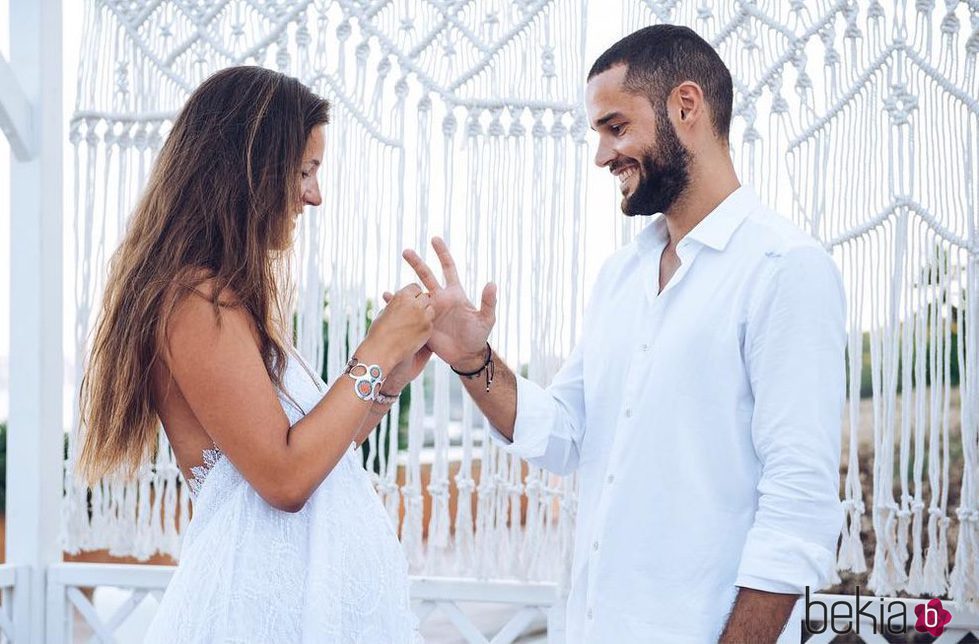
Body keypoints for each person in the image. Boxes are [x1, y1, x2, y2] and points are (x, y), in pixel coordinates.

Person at [403, 25, 846, 643]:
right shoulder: (621, 276)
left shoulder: (784, 268)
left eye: (616, 127)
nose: (602, 155)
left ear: (685, 106)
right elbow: (564, 435)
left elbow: (799, 505)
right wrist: (473, 360)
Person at [77, 66, 429, 642]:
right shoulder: (194, 300)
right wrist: (376, 346)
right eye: (305, 172)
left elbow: (318, 454)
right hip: (256, 614)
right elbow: (284, 478)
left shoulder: (229, 298)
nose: (315, 195)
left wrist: (390, 375)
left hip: (300, 606)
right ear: (247, 170)